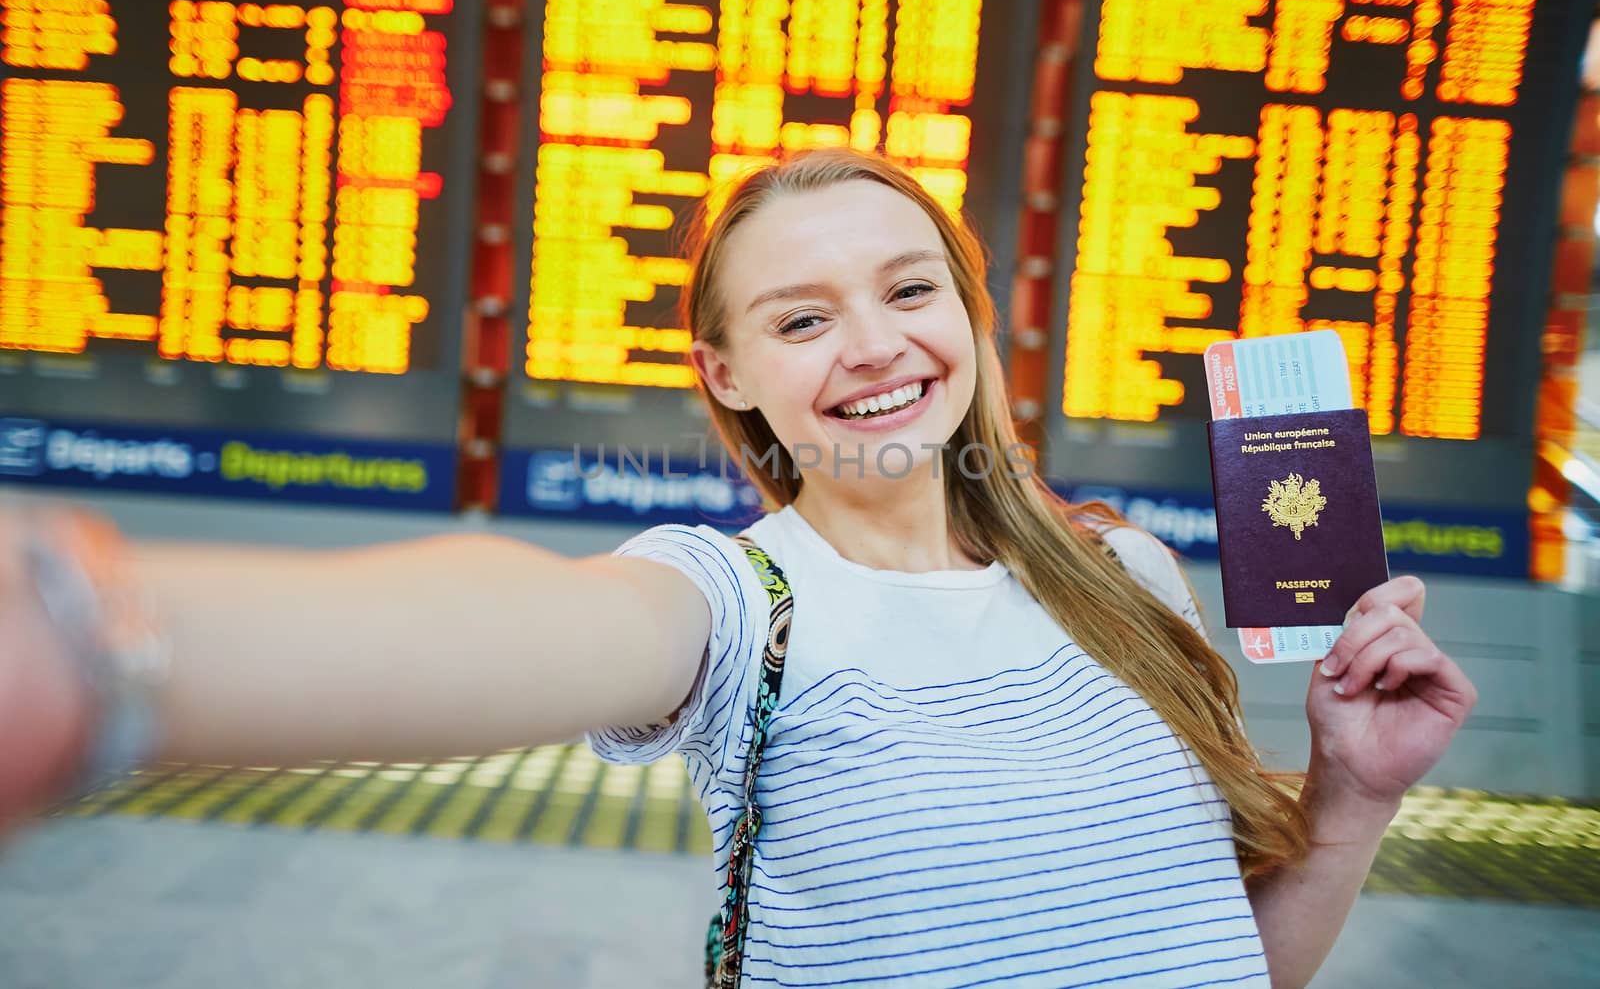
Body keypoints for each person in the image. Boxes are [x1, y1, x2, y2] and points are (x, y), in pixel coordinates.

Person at [1, 148, 1475, 988]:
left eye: (909, 288)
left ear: (968, 311)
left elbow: (1219, 966)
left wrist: (1347, 804)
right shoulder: (736, 600)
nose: (878, 344)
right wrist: (95, 644)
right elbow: (525, 622)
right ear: (729, 373)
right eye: (802, 318)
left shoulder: (1130, 572)